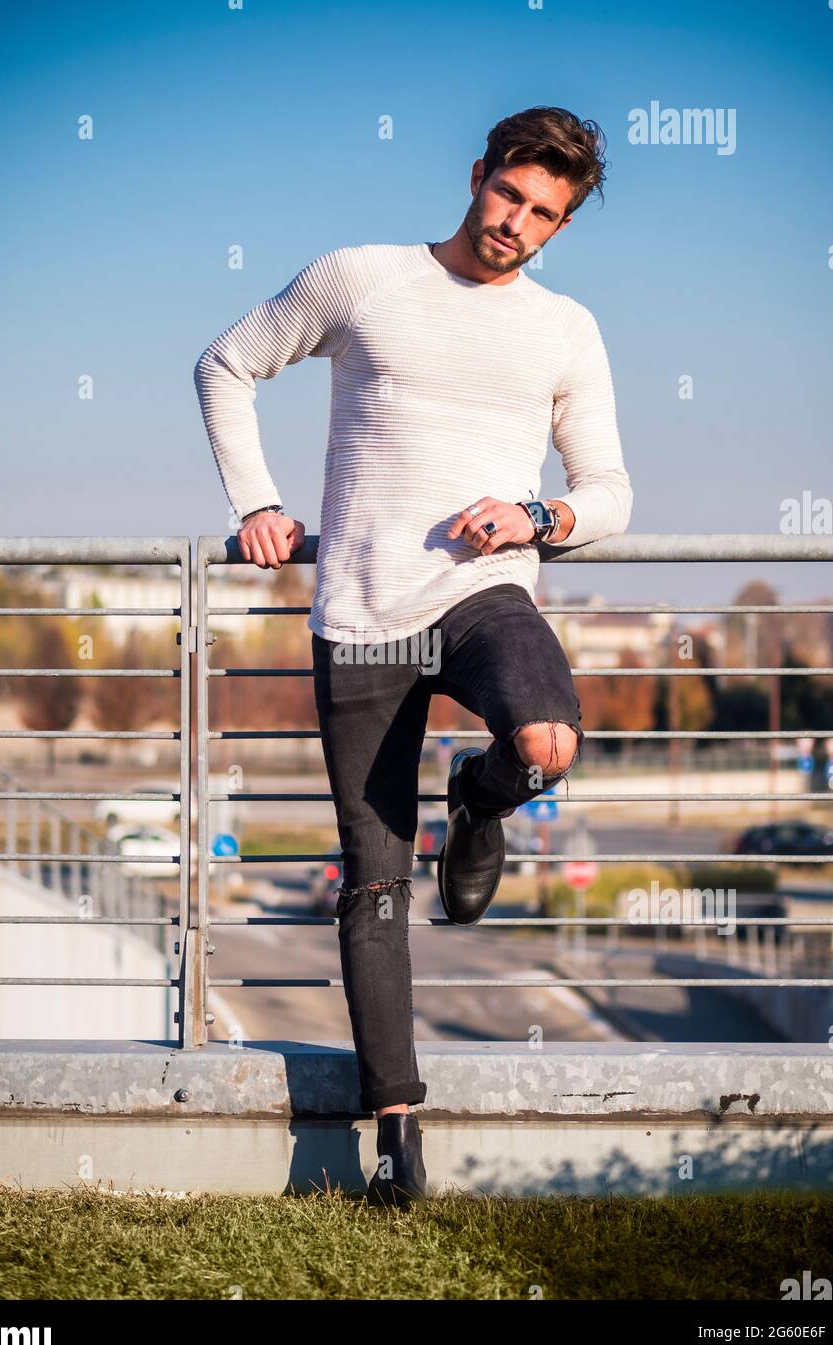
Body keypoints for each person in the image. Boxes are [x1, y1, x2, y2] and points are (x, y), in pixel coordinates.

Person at [194, 105, 632, 1206]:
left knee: (547, 739)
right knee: (375, 886)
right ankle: (395, 1137)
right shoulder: (361, 277)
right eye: (510, 197)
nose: (518, 226)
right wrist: (257, 504)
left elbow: (611, 492)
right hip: (360, 610)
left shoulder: (566, 329)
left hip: (486, 593)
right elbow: (225, 365)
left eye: (546, 215)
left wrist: (538, 515)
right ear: (478, 173)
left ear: (561, 226)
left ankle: (480, 807)